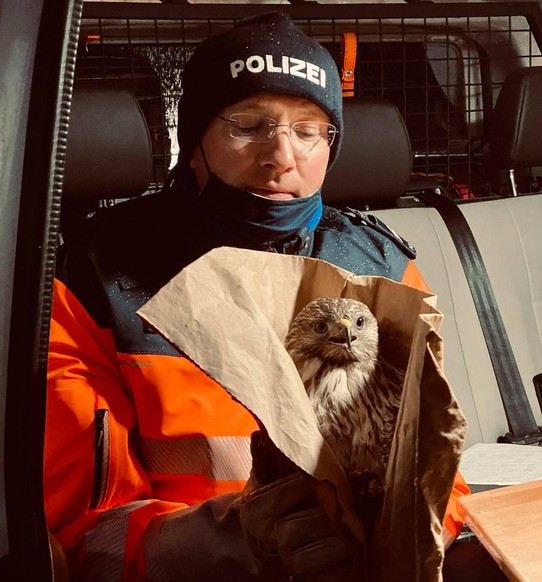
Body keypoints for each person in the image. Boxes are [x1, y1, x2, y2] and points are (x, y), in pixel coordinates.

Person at [44, 11, 493, 581]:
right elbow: (77, 537)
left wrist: (418, 527)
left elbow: (436, 468)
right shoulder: (95, 279)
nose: (282, 155)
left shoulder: (380, 266)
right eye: (249, 125)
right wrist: (235, 538)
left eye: (308, 131)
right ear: (195, 138)